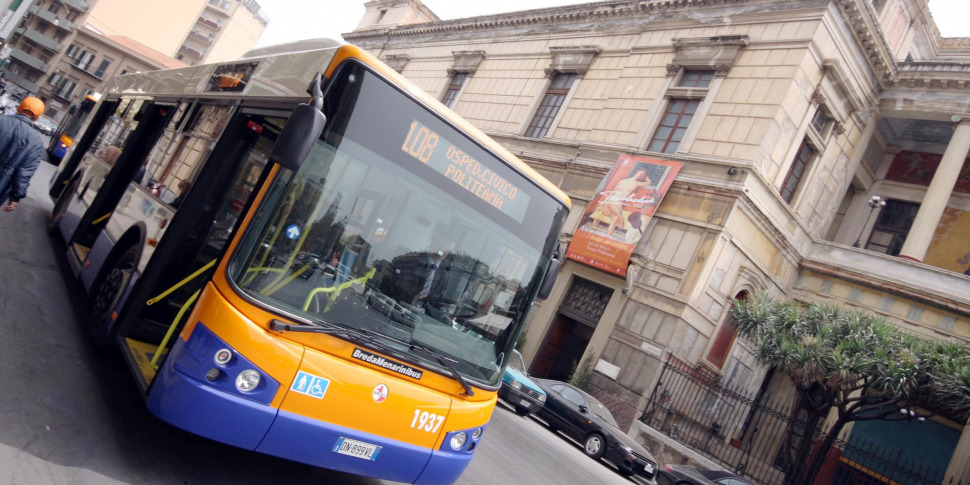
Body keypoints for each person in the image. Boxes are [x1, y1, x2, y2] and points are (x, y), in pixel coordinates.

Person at [0, 96, 46, 212]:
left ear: (19, 108)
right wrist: (15, 196)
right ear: (36, 118)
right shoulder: (35, 141)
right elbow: (25, 172)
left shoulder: (1, 120)